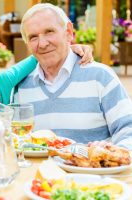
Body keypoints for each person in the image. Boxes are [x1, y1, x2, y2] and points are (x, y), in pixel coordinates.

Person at [14, 3, 132, 149]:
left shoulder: (100, 77)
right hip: (38, 171)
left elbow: (129, 131)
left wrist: (112, 152)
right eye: (33, 37)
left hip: (92, 170)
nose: (42, 43)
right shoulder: (22, 87)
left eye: (49, 31)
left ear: (68, 32)